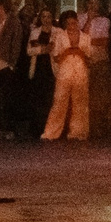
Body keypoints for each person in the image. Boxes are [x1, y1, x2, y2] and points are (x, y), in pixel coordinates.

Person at [42, 10, 94, 140]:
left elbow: (89, 59)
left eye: (74, 23)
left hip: (80, 72)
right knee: (59, 102)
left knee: (80, 102)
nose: (72, 26)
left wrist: (81, 53)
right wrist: (67, 52)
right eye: (69, 23)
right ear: (65, 24)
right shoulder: (60, 37)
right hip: (64, 73)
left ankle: (78, 132)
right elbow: (55, 58)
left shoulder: (86, 37)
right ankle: (51, 132)